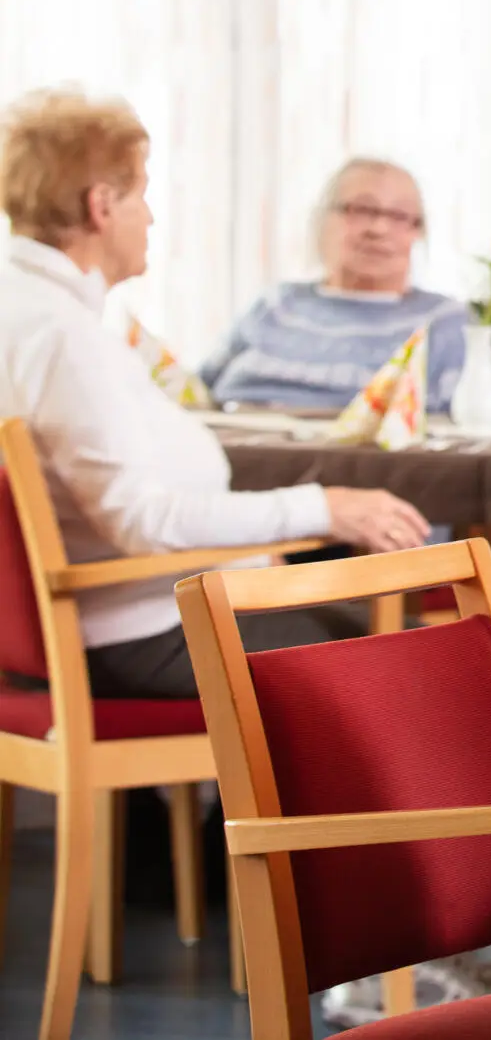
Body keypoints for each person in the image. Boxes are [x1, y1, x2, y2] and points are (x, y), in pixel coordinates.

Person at [0, 91, 430, 697]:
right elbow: (142, 520)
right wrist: (325, 507)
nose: (151, 218)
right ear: (102, 205)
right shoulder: (65, 337)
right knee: (435, 655)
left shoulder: (24, 310)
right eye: (142, 195)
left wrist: (251, 553)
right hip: (141, 637)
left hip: (105, 624)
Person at [201, 157, 469, 413]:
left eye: (399, 216)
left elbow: (472, 422)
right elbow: (197, 392)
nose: (379, 229)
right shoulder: (276, 304)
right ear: (323, 218)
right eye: (362, 210)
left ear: (418, 231)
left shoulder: (445, 322)